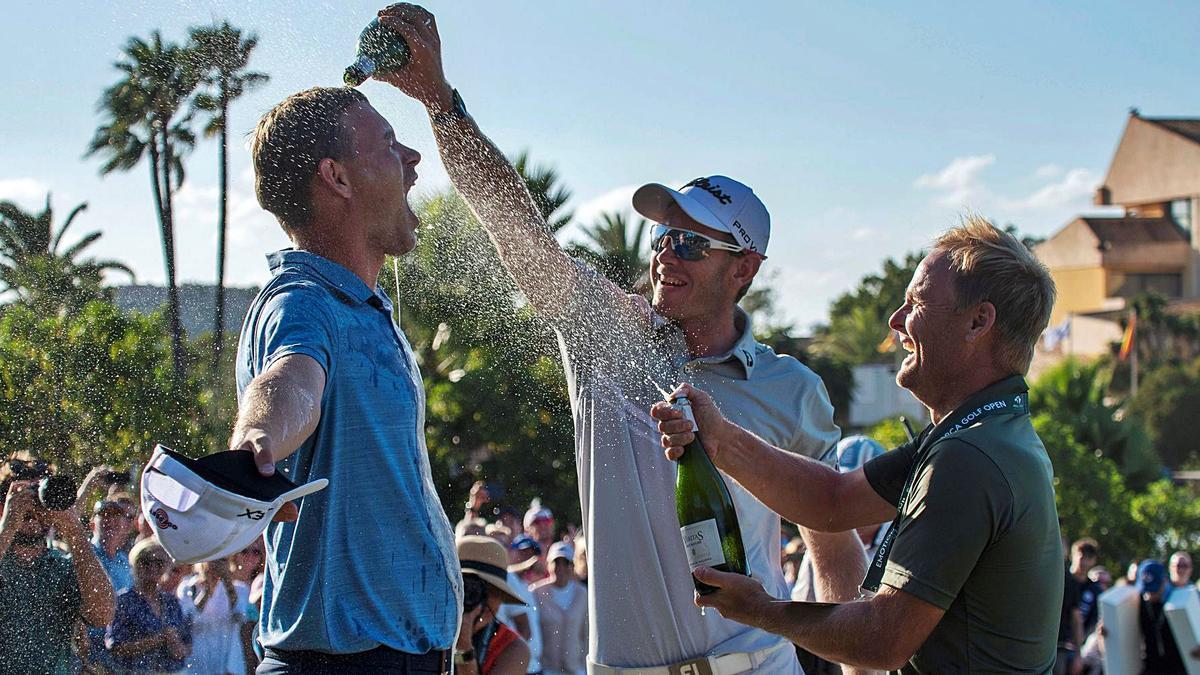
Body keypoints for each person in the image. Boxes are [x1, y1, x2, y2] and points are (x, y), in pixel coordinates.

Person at [377, 6, 860, 672]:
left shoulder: (792, 389)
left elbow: (834, 557)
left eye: (691, 241)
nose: (666, 254)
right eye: (664, 236)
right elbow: (518, 228)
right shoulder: (606, 334)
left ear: (743, 268)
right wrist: (440, 102)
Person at [652, 218, 1064, 672]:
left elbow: (882, 640)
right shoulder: (981, 432)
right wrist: (721, 438)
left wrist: (760, 610)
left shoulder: (969, 456)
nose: (896, 320)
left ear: (978, 322)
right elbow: (834, 500)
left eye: (916, 302)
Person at [234, 85, 460, 672]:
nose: (412, 158)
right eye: (388, 143)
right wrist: (258, 443)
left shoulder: (358, 307)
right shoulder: (304, 303)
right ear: (336, 178)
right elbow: (290, 384)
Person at [0, 464, 116, 674]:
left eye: (39, 499)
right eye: (24, 496)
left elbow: (102, 615)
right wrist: (7, 527)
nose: (33, 510)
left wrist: (74, 531)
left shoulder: (62, 567)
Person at [108, 538, 191, 674]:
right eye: (145, 562)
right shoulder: (124, 602)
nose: (152, 567)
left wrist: (177, 646)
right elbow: (115, 647)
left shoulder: (171, 602)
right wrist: (157, 640)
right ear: (135, 564)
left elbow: (187, 644)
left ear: (166, 566)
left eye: (159, 563)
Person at [456, 536, 532, 674]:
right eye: (465, 588)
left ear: (501, 599)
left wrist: (463, 647)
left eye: (488, 591)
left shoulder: (512, 647)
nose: (474, 598)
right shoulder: (429, 631)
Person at [177, 557, 250, 674]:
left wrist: (227, 582)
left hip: (228, 662)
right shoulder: (188, 587)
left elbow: (239, 616)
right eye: (214, 559)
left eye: (222, 560)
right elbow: (190, 619)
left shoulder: (240, 589)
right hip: (198, 660)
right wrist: (207, 588)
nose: (217, 564)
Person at [531, 542, 588, 675]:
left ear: (572, 566)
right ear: (548, 564)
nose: (560, 567)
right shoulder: (536, 593)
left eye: (565, 563)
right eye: (556, 562)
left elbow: (586, 633)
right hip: (547, 669)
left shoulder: (583, 593)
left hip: (576, 669)